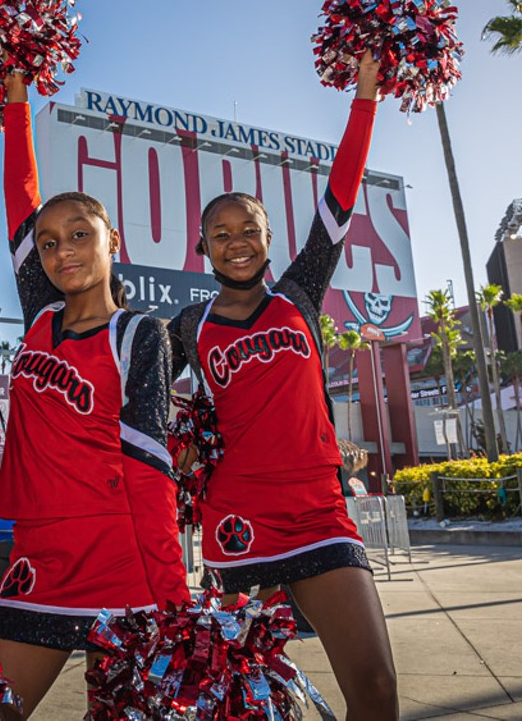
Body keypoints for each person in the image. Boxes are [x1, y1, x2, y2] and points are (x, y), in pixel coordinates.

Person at [168, 52, 398, 719]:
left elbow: (342, 196)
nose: (235, 242)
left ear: (269, 239)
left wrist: (365, 98)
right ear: (202, 248)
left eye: (247, 231)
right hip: (238, 517)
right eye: (220, 234)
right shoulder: (187, 326)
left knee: (377, 688)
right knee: (246, 697)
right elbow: (131, 390)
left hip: (319, 509)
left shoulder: (299, 294)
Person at [0, 72, 188, 716]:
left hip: (124, 560)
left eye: (79, 235)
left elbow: (151, 467)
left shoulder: (139, 335)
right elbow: (22, 200)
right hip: (41, 555)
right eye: (48, 243)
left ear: (112, 242)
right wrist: (16, 93)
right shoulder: (40, 318)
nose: (61, 250)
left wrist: (171, 596)